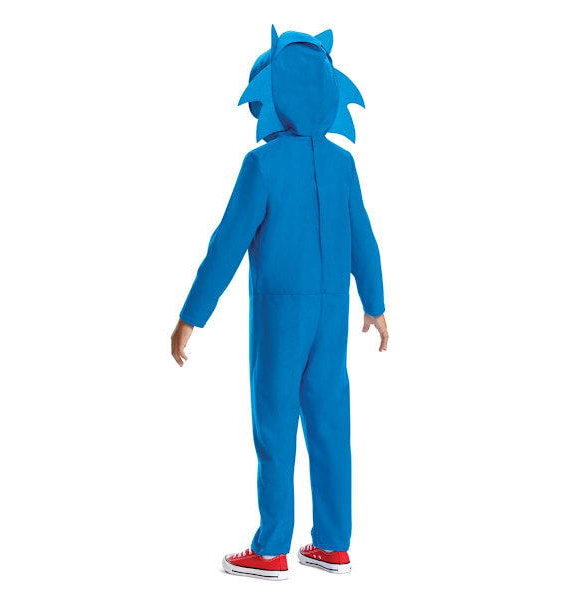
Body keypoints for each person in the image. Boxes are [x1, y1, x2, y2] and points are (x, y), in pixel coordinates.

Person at [171, 26, 388, 580]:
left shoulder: (262, 165)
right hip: (332, 313)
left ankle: (271, 548)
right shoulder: (342, 164)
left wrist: (191, 316)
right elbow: (363, 236)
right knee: (330, 422)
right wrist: (375, 303)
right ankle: (333, 544)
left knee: (274, 423)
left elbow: (227, 244)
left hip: (279, 314)